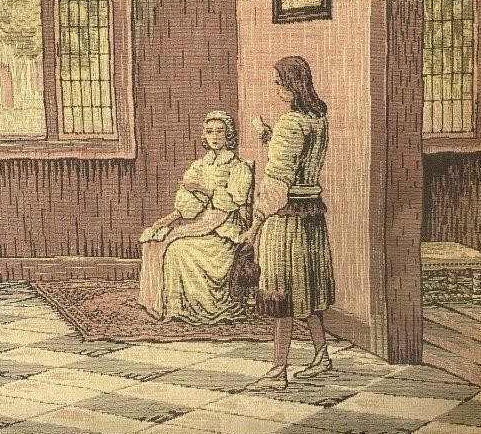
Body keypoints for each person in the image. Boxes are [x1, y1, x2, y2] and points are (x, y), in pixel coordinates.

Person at [239, 55, 335, 389]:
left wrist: (255, 225)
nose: (277, 88)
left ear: (292, 85)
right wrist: (270, 137)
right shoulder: (318, 118)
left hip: (286, 220)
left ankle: (277, 370)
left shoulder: (290, 123)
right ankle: (321, 355)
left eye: (279, 82)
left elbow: (278, 182)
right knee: (306, 289)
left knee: (280, 295)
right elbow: (301, 158)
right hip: (311, 215)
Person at [138, 110, 252, 325]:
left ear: (228, 135)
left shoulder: (239, 168)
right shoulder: (201, 166)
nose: (215, 136)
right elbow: (190, 206)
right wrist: (167, 220)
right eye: (210, 132)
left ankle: (193, 307)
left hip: (224, 233)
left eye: (220, 131)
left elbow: (233, 201)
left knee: (177, 249)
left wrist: (202, 189)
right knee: (156, 240)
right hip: (204, 224)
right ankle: (161, 304)